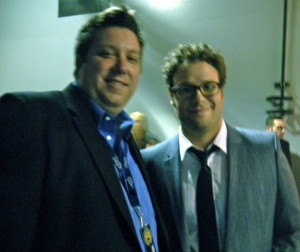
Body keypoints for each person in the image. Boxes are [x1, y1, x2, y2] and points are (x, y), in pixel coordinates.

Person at [0, 6, 170, 251]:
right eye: (107, 54)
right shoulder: (30, 116)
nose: (122, 67)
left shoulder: (127, 141)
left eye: (132, 58)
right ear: (81, 60)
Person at [141, 43, 300, 251]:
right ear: (172, 97)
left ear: (221, 92)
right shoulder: (150, 162)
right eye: (186, 89)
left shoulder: (266, 151)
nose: (198, 97)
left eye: (208, 86)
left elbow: (293, 231)